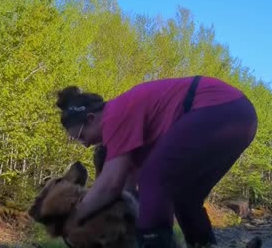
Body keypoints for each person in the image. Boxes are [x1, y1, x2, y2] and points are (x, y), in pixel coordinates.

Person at [55, 75, 258, 248]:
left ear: (91, 118)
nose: (85, 145)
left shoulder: (114, 115)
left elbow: (111, 184)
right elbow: (129, 194)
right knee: (185, 197)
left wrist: (74, 219)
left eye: (80, 136)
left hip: (219, 109)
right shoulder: (130, 131)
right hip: (240, 117)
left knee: (153, 179)